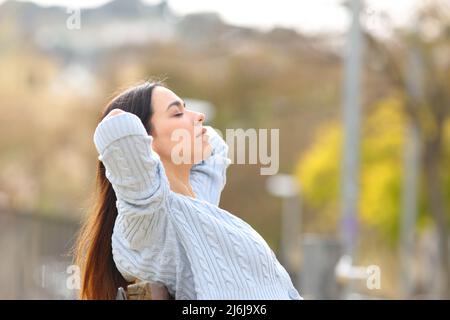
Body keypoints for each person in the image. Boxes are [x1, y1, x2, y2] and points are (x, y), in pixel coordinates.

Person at [74, 81, 302, 300]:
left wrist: (183, 124)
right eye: (177, 113)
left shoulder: (197, 203)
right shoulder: (150, 217)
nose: (199, 116)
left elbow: (216, 150)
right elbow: (118, 128)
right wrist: (147, 150)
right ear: (144, 144)